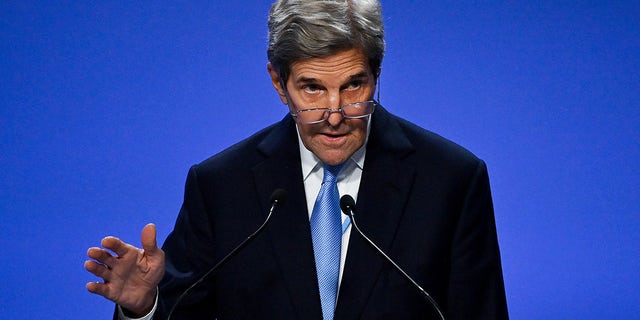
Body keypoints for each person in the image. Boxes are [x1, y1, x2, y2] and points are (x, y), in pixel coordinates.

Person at [85, 0, 509, 319]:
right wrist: (145, 307)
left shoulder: (451, 180)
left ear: (376, 75)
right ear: (278, 82)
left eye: (353, 86)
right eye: (311, 89)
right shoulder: (221, 186)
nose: (335, 113)